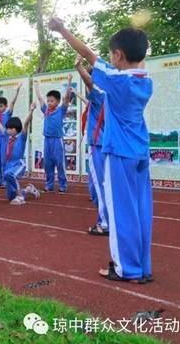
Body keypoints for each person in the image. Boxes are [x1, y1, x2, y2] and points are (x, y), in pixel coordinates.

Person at [49, 17, 153, 284]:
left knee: (120, 214)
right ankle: (142, 266)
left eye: (111, 54)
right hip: (140, 152)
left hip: (119, 153)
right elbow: (135, 58)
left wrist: (62, 29)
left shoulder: (117, 81)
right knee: (141, 211)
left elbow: (87, 53)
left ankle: (125, 269)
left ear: (118, 55)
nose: (108, 58)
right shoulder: (145, 80)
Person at [74, 55, 109, 236]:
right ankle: (111, 219)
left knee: (99, 186)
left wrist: (79, 67)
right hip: (106, 144)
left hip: (98, 144)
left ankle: (105, 224)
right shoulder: (110, 95)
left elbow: (89, 83)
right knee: (100, 186)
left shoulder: (100, 94)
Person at [0, 103, 40, 205]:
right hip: (7, 165)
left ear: (17, 129)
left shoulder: (21, 138)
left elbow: (26, 123)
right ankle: (28, 189)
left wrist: (31, 110)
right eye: (8, 128)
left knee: (9, 174)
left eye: (11, 128)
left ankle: (20, 197)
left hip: (18, 163)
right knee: (10, 197)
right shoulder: (6, 137)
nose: (8, 130)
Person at [33, 75, 73, 194]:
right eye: (48, 100)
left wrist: (69, 82)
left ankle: (62, 185)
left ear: (58, 101)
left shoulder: (61, 110)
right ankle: (49, 185)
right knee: (48, 164)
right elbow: (40, 98)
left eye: (52, 101)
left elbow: (66, 97)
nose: (49, 103)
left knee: (59, 163)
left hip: (57, 140)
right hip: (47, 140)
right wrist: (36, 85)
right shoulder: (45, 109)